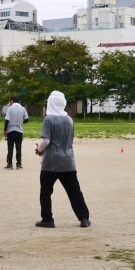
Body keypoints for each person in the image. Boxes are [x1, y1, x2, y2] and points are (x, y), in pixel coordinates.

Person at [34, 90, 90, 228]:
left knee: (46, 192)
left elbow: (46, 141)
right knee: (75, 191)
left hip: (51, 162)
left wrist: (39, 150)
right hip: (68, 161)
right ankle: (84, 218)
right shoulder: (69, 119)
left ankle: (47, 219)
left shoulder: (49, 119)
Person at [3, 95, 28, 169]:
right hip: (19, 130)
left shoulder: (10, 108)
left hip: (11, 130)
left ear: (12, 101)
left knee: (10, 148)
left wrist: (5, 130)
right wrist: (21, 123)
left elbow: (7, 120)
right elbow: (27, 119)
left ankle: (10, 164)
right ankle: (19, 164)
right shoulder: (23, 108)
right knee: (18, 148)